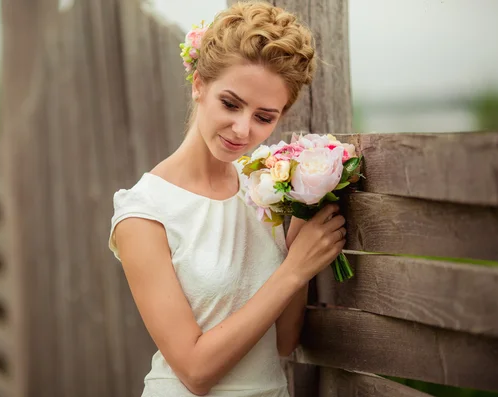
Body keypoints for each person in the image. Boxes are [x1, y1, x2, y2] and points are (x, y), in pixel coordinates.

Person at [108, 2, 346, 396]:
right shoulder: (143, 212)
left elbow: (283, 343)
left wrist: (302, 214)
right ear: (200, 84)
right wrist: (293, 270)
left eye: (264, 117)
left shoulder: (264, 187)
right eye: (231, 104)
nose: (242, 129)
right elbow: (196, 372)